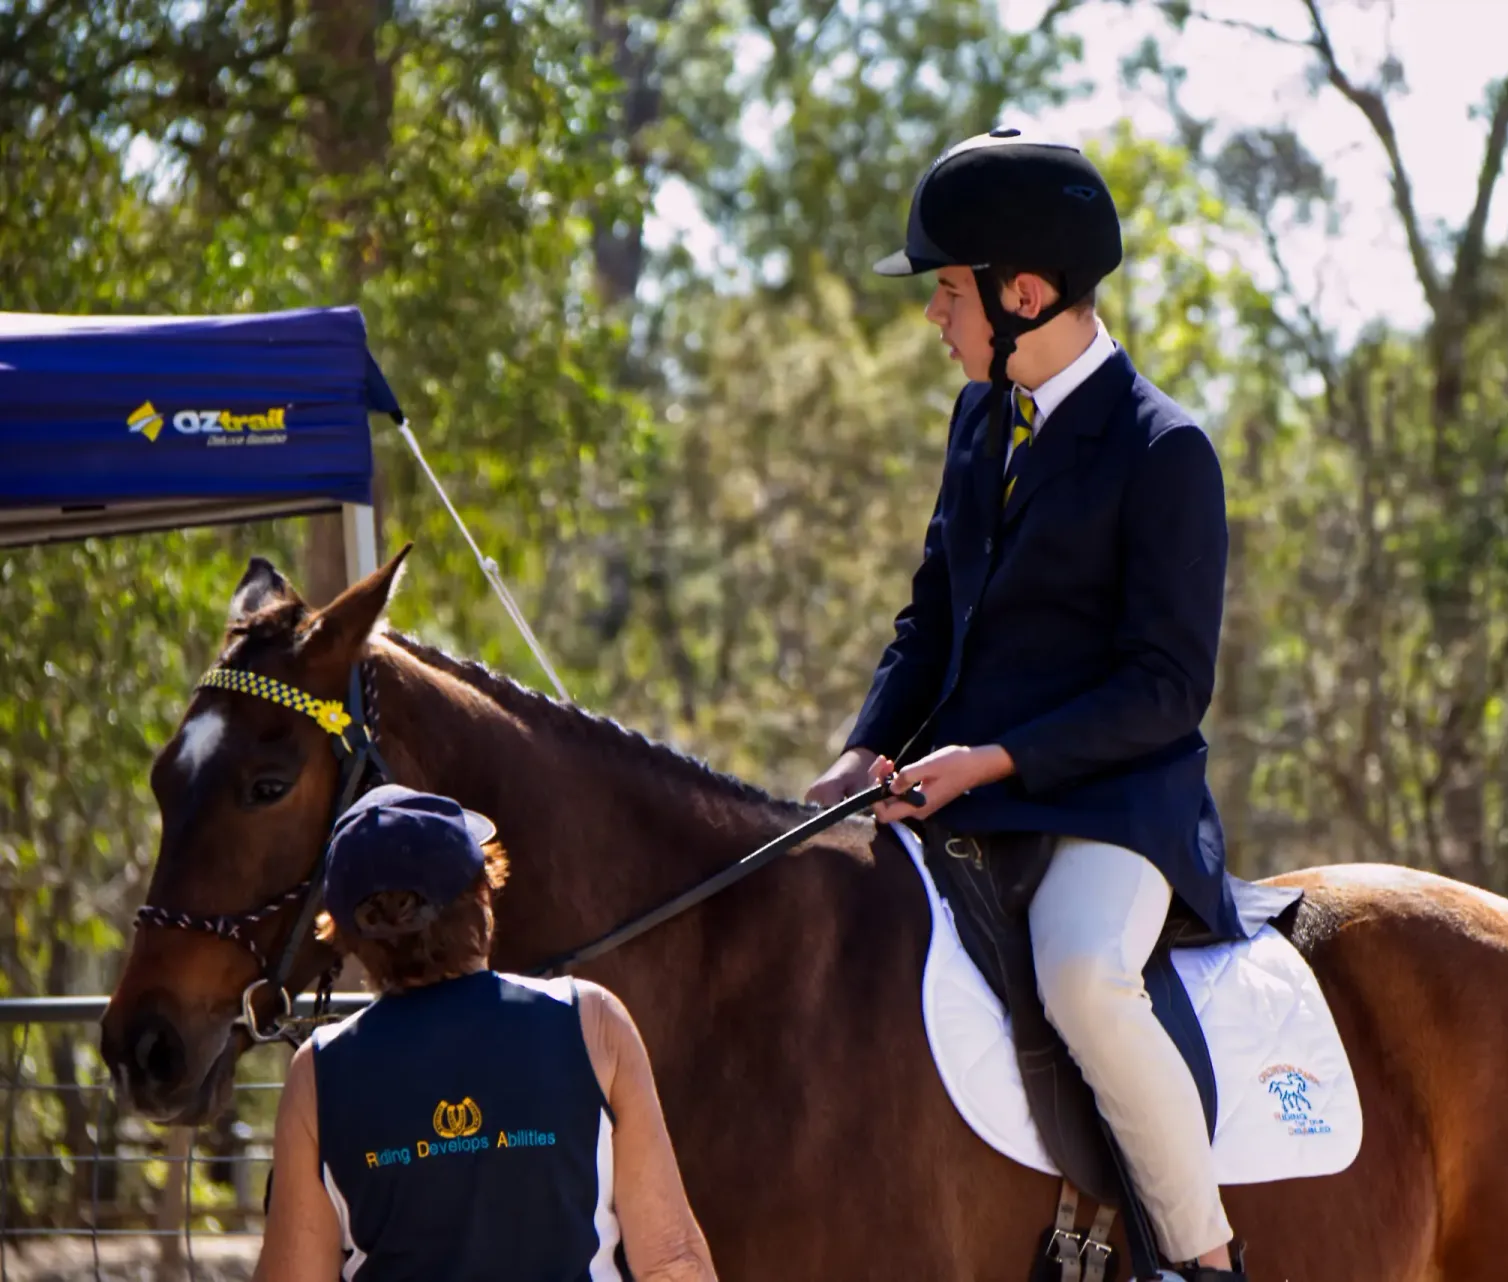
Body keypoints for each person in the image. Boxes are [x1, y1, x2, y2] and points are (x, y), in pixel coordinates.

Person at [804, 129, 1244, 1280]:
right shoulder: (980, 420)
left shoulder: (1167, 451)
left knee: (1081, 974)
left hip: (1117, 802)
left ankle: (1204, 1258)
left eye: (949, 291)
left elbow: (1166, 688)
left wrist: (994, 759)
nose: (937, 316)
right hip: (964, 783)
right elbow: (930, 620)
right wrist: (863, 749)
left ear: (1025, 293)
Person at [252, 784, 717, 1282]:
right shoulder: (591, 1022)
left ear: (346, 934)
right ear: (482, 895)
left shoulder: (319, 1073)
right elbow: (672, 1261)